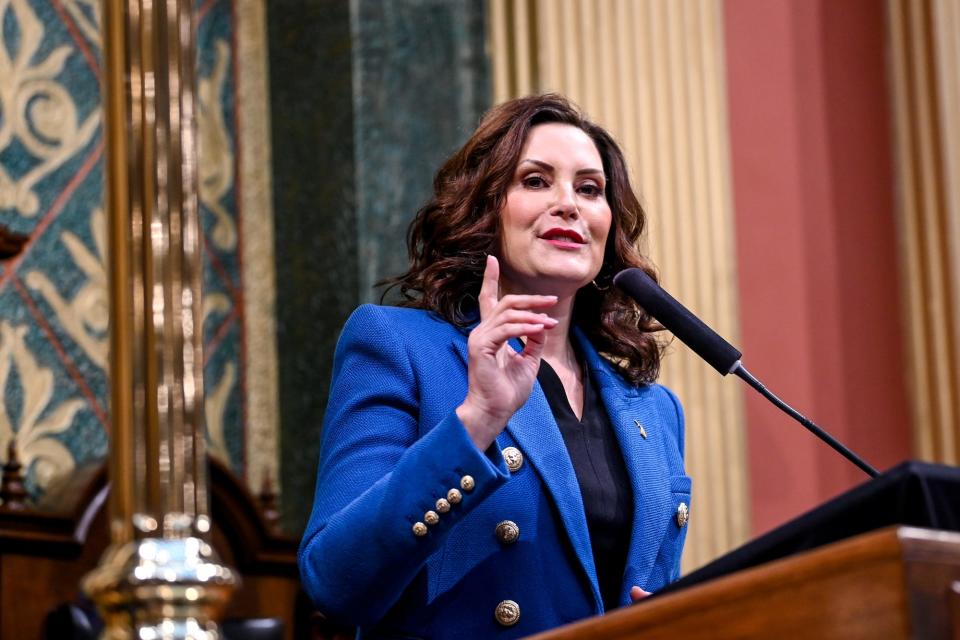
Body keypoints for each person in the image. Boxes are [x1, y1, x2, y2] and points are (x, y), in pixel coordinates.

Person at [298, 94, 690, 639]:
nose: (568, 205)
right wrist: (477, 419)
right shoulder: (399, 346)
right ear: (485, 206)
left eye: (589, 188)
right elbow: (335, 581)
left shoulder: (655, 408)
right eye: (535, 181)